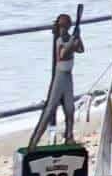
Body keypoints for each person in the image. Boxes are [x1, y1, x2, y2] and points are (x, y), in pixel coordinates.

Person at [29, 11, 84, 146]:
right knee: (50, 109)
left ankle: (69, 135)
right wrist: (72, 41)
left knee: (70, 108)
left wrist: (78, 37)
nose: (64, 30)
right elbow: (63, 54)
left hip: (68, 77)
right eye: (62, 27)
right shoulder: (59, 41)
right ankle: (34, 142)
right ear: (59, 28)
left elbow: (81, 49)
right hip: (60, 78)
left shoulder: (70, 38)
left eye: (66, 27)